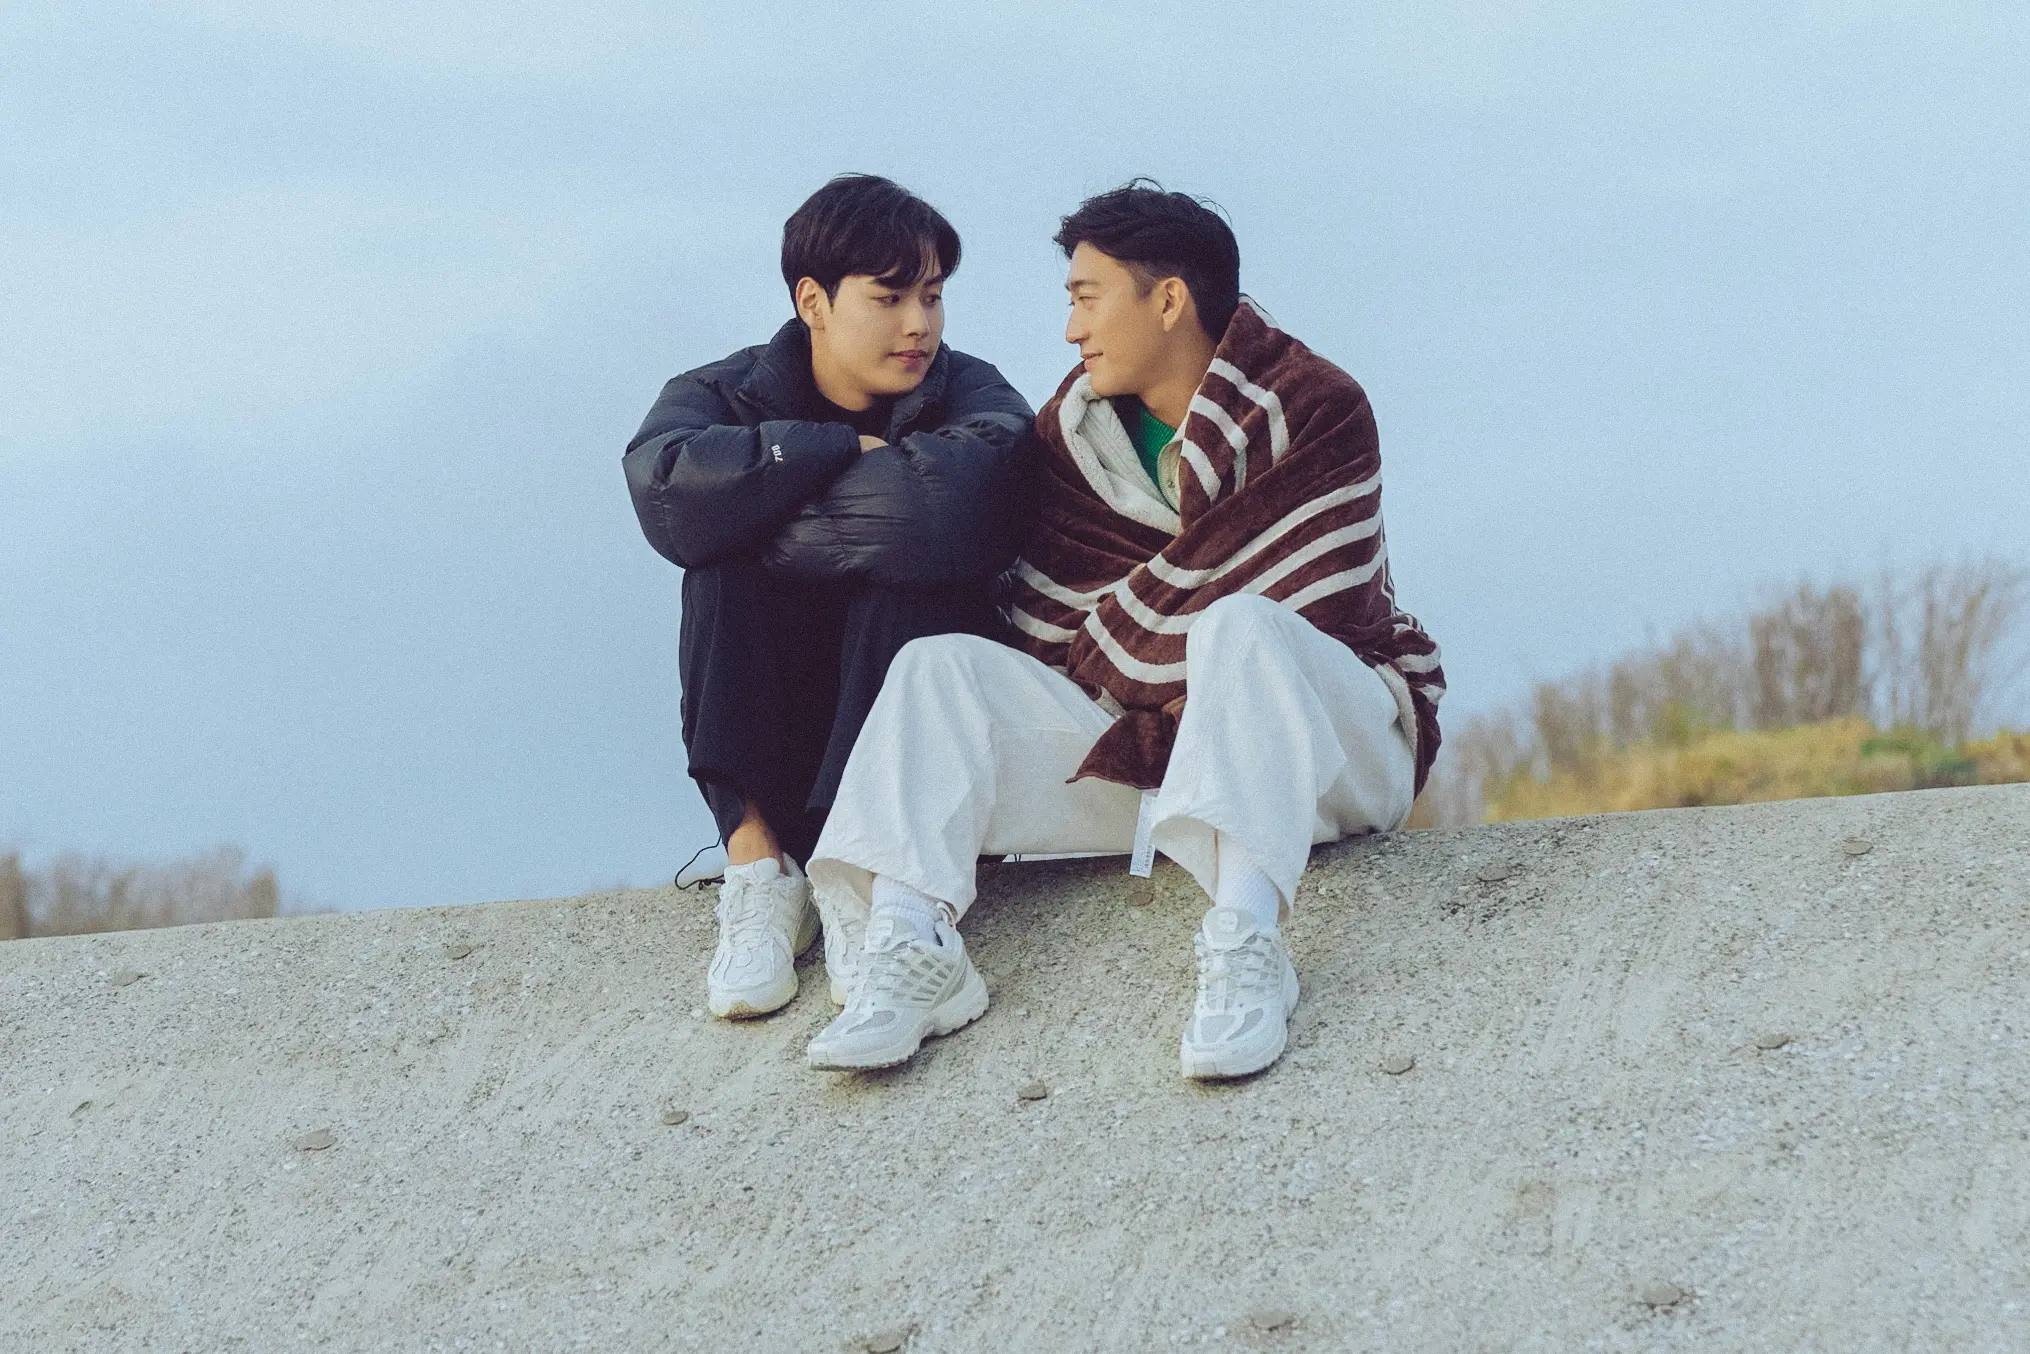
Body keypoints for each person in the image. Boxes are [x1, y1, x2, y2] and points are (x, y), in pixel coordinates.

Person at [804, 180, 1445, 1078]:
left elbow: (1318, 608)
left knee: (1240, 631)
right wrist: (1148, 654)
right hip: (1149, 753)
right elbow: (1054, 626)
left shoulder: (1313, 405)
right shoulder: (1073, 439)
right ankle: (912, 942)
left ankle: (1247, 943)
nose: (1072, 329)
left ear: (1168, 299)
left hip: (1327, 748)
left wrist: (1142, 639)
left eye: (1086, 298)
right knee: (938, 668)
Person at [623, 174, 1034, 1021]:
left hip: (916, 760)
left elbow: (954, 510)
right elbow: (670, 494)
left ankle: (864, 879)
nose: (919, 324)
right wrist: (833, 446)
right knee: (719, 573)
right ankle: (759, 871)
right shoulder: (718, 395)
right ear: (813, 301)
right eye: (889, 298)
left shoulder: (974, 392)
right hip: (784, 719)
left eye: (932, 296)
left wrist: (762, 508)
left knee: (909, 572)